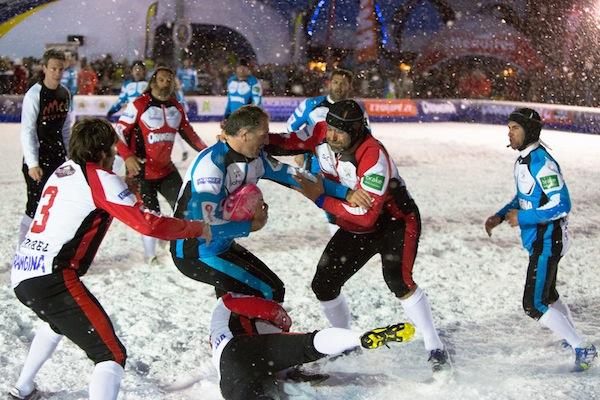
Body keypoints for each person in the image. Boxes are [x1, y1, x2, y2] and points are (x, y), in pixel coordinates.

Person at [9, 118, 210, 400]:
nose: (117, 152)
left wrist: (125, 188)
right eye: (114, 147)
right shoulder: (101, 179)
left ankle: (23, 387)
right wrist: (196, 228)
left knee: (57, 322)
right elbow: (149, 224)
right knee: (110, 354)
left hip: (24, 272)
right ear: (104, 151)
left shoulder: (63, 170)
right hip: (51, 278)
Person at [274, 100, 451, 376]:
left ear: (357, 131)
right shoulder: (321, 132)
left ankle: (434, 346)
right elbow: (287, 143)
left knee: (398, 281)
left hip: (396, 223)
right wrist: (250, 141)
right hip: (357, 221)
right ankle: (345, 342)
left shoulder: (373, 155)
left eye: (339, 132)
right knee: (324, 284)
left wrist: (320, 197)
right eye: (330, 128)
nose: (331, 136)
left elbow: (366, 216)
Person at [170, 105, 371, 302]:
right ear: (244, 134)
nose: (268, 140)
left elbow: (296, 176)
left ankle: (233, 333)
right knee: (268, 292)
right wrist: (251, 226)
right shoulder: (211, 167)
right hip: (194, 252)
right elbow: (204, 226)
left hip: (220, 245)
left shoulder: (256, 159)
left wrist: (346, 193)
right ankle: (246, 334)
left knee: (249, 295)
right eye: (263, 134)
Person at [484, 107, 597, 371]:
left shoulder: (541, 163)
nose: (509, 133)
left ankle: (582, 347)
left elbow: (562, 204)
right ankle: (573, 341)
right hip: (540, 240)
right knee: (549, 294)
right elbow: (525, 197)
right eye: (509, 127)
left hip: (548, 240)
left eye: (515, 128)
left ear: (530, 131)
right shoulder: (523, 160)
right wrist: (500, 216)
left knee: (533, 304)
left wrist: (523, 218)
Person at [211, 292, 415, 400]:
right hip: (249, 351)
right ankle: (359, 338)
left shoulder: (218, 329)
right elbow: (273, 313)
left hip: (233, 362)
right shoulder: (227, 302)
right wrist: (282, 322)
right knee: (310, 343)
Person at [116, 65, 207, 264]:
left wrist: (208, 151)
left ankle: (180, 243)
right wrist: (127, 157)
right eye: (162, 79)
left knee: (185, 207)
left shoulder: (177, 106)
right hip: (141, 171)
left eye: (169, 80)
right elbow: (118, 133)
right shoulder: (139, 104)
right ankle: (151, 256)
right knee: (150, 215)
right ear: (153, 81)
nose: (165, 83)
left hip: (167, 170)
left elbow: (189, 134)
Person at [283, 68, 361, 235]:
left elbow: (365, 135)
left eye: (343, 84)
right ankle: (336, 232)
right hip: (318, 161)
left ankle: (342, 230)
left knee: (347, 196)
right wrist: (297, 152)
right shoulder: (311, 105)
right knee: (328, 193)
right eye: (336, 82)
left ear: (349, 87)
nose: (339, 87)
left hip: (346, 162)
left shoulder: (355, 110)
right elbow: (291, 127)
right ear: (329, 83)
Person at [18, 48, 72, 247]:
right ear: (44, 68)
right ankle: (22, 248)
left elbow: (66, 127)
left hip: (58, 158)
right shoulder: (34, 95)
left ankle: (45, 246)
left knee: (55, 204)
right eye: (53, 69)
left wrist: (69, 156)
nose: (57, 73)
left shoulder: (65, 93)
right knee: (34, 206)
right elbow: (27, 131)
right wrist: (32, 163)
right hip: (38, 159)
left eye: (60, 69)